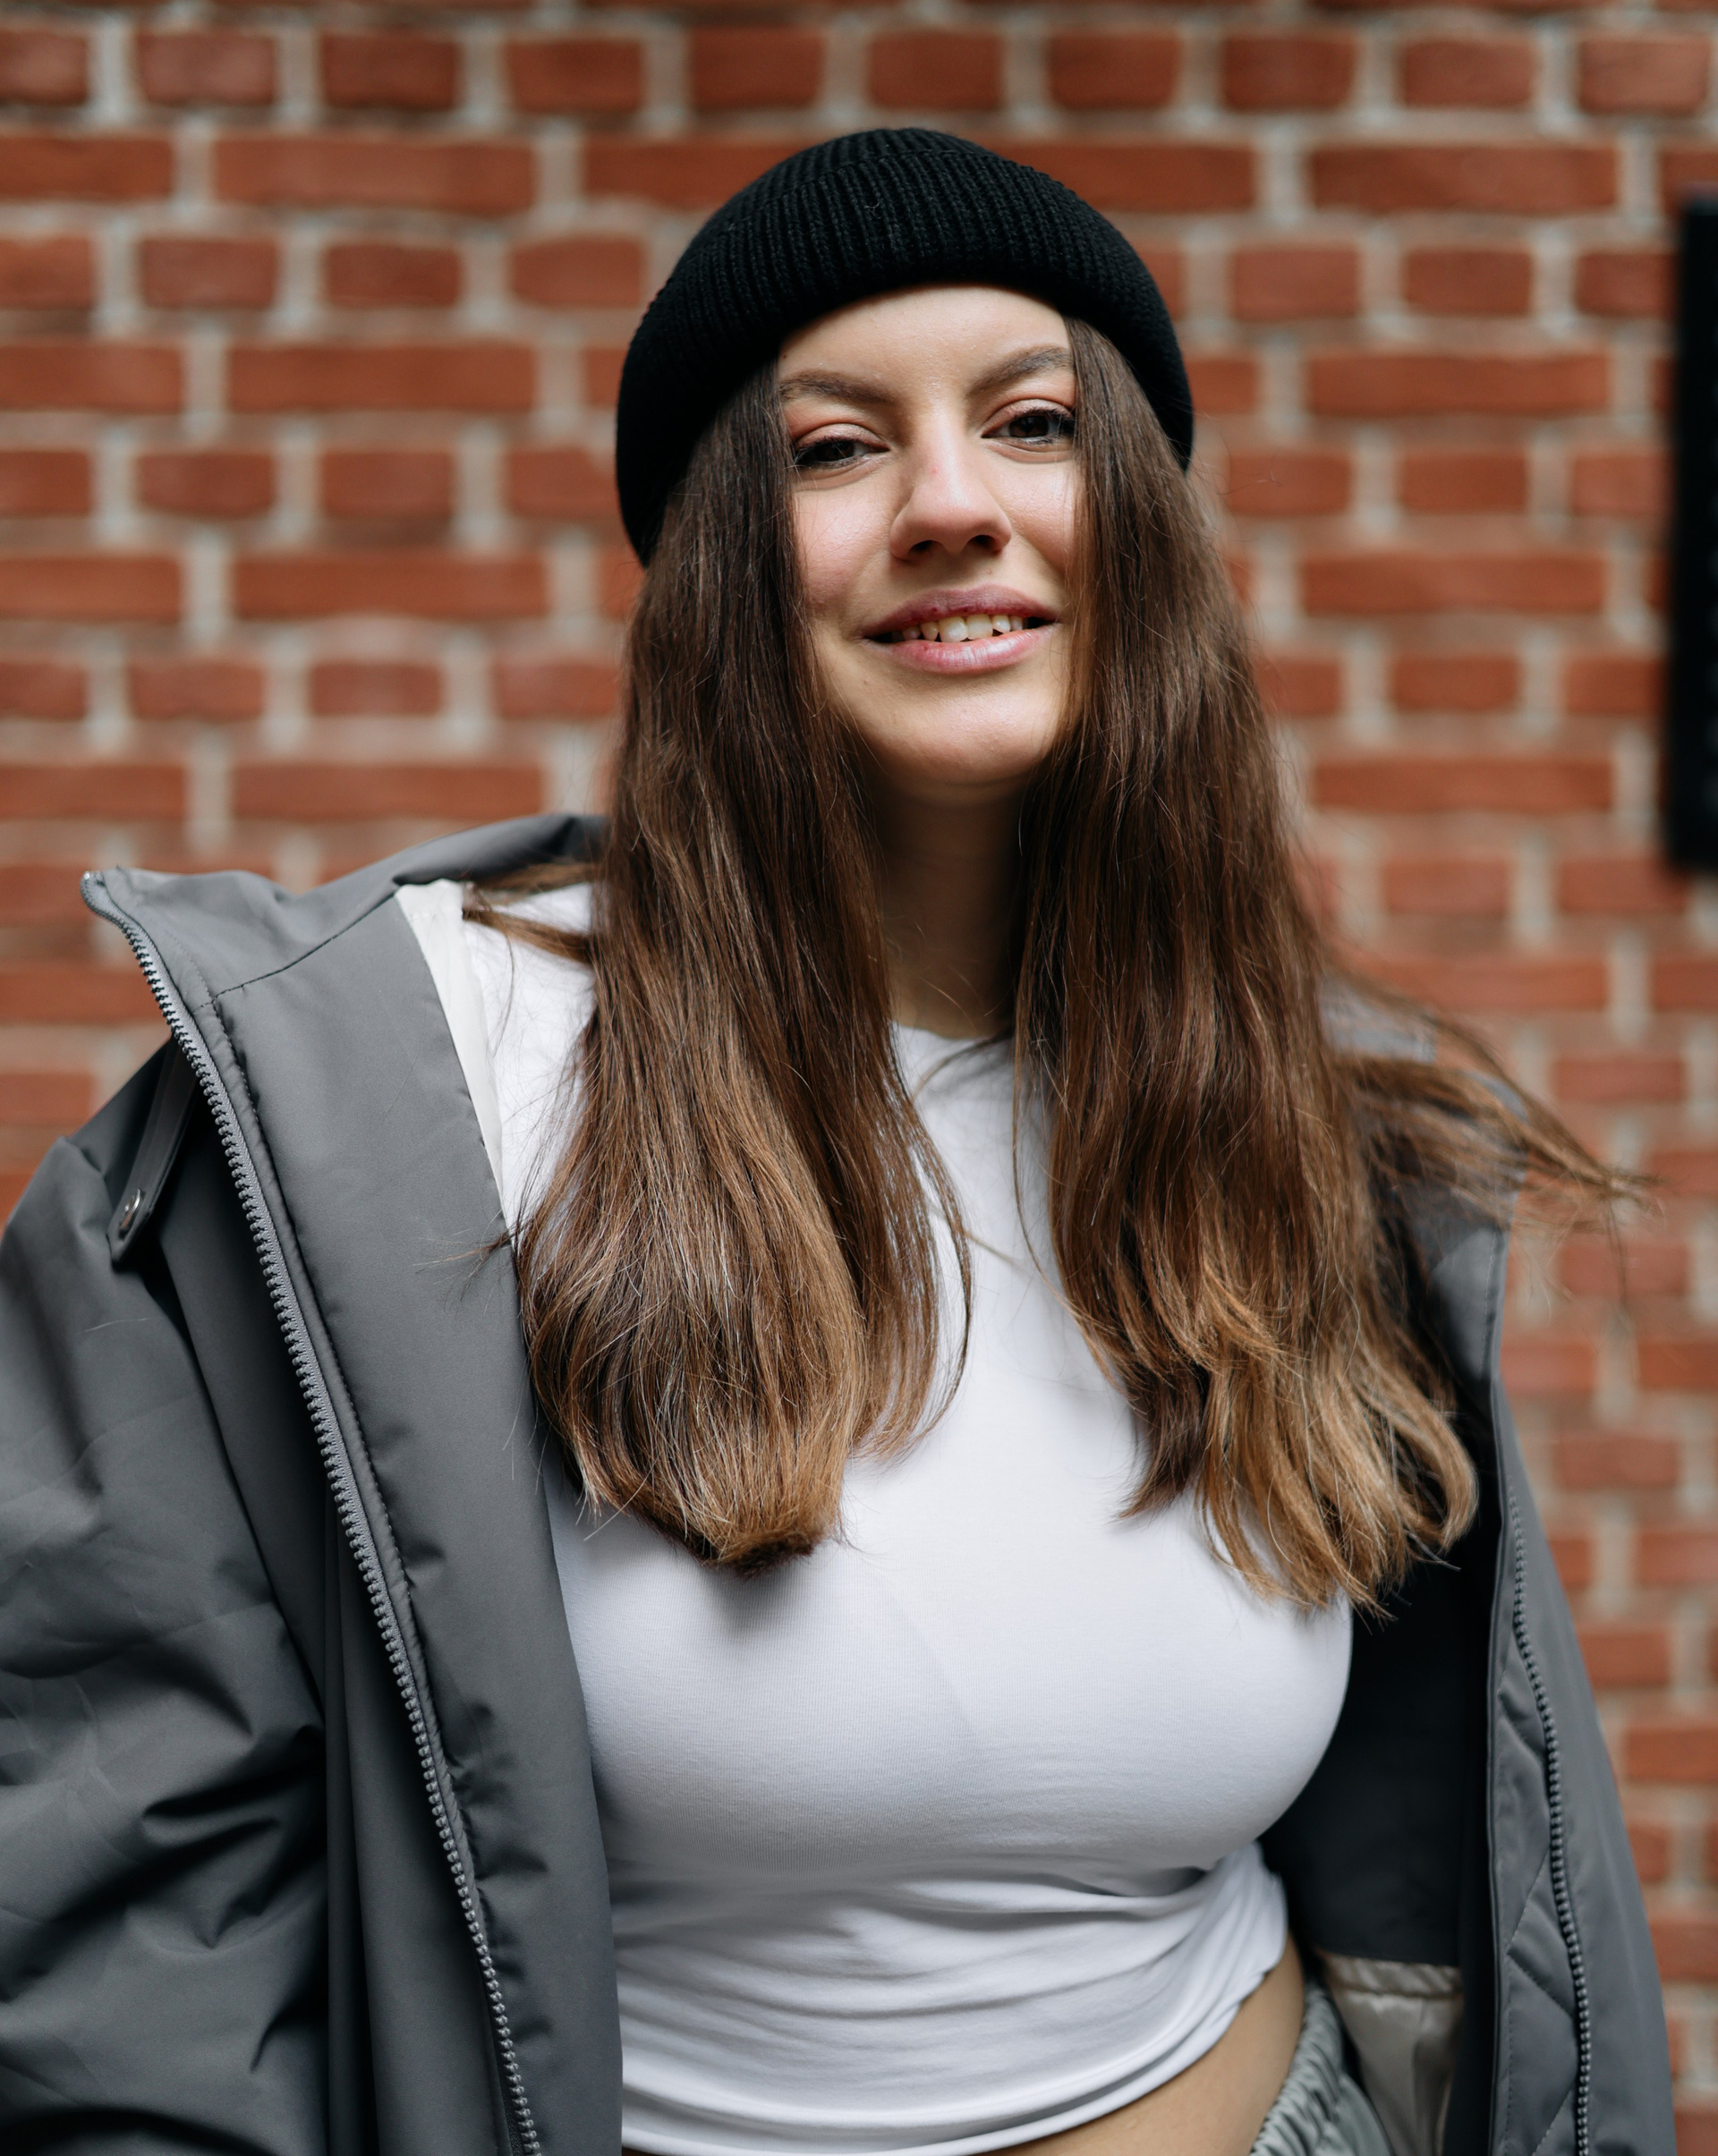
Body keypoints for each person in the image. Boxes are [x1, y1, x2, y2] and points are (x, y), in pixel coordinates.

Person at [0, 131, 1672, 2156]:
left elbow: (1504, 1890)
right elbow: (127, 1914)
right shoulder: (397, 1092)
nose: (954, 504)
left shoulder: (1305, 1126)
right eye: (837, 448)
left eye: (1034, 423)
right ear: (723, 559)